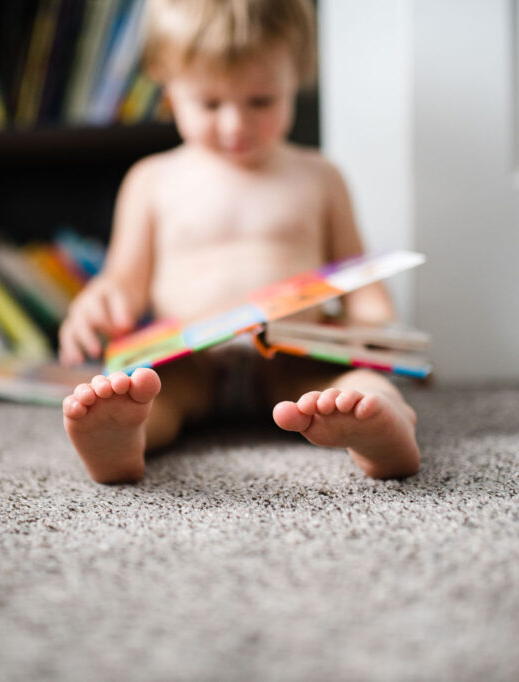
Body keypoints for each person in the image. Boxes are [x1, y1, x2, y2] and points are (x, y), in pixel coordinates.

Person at [59, 0, 420, 483]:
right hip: (192, 363)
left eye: (261, 101)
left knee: (354, 386)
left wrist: (376, 325)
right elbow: (125, 281)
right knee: (145, 392)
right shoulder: (151, 180)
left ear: (297, 78)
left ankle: (381, 429)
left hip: (293, 356)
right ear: (168, 85)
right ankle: (124, 440)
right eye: (209, 104)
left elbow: (355, 272)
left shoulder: (319, 176)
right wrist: (101, 301)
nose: (235, 125)